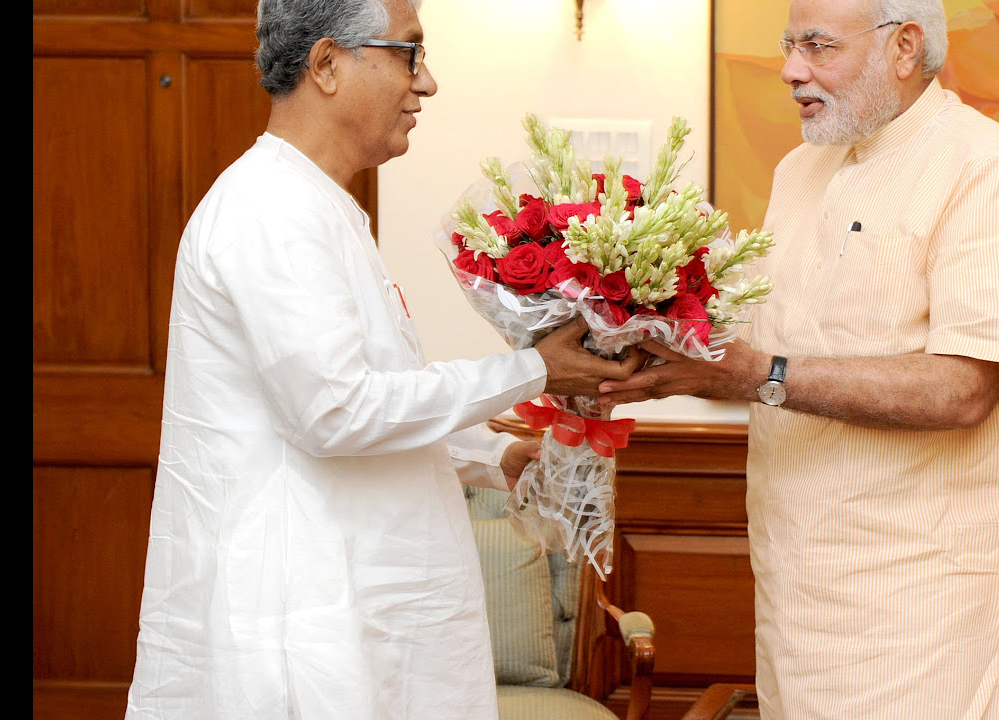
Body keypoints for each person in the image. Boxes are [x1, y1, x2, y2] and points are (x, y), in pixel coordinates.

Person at [123, 1, 642, 718]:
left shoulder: (319, 206)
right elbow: (335, 412)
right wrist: (531, 370)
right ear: (329, 64)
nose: (425, 83)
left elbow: (374, 396)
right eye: (409, 54)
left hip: (350, 612)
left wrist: (495, 459)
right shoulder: (270, 211)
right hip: (302, 624)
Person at [598, 0, 999, 717]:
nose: (792, 70)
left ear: (905, 47)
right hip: (803, 590)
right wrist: (630, 354)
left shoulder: (987, 171)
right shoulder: (800, 169)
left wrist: (759, 375)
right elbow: (760, 343)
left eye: (818, 46)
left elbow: (962, 390)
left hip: (939, 608)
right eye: (790, 46)